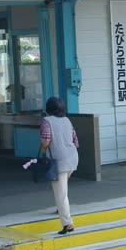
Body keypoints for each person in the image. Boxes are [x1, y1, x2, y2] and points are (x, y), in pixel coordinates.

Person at [40, 96, 79, 235]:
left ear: (48, 109)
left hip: (59, 160)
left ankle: (67, 223)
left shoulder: (46, 121)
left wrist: (44, 151)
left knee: (60, 193)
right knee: (62, 189)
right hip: (73, 157)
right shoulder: (67, 120)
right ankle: (62, 208)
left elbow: (46, 140)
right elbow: (75, 138)